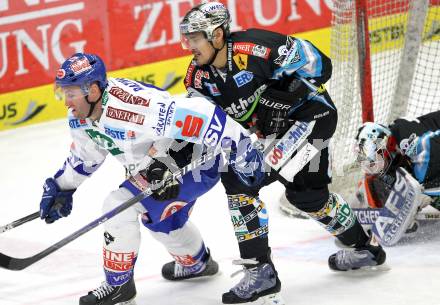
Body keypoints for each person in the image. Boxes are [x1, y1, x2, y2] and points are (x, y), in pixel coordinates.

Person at [179, 2, 386, 304]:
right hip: (278, 133)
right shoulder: (198, 78)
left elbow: (322, 65)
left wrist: (285, 91)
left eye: (195, 38)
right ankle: (366, 247)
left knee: (240, 179)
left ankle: (261, 272)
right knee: (309, 198)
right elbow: (196, 124)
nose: (190, 46)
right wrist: (175, 159)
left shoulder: (258, 48)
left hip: (310, 120)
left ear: (218, 34)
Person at [40, 52, 265, 305]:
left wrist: (242, 149)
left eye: (70, 94)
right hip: (156, 169)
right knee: (163, 223)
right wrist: (62, 186)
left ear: (92, 90)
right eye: (63, 94)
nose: (66, 102)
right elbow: (86, 157)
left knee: (116, 206)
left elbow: (204, 114)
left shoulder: (134, 107)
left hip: (195, 163)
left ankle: (119, 288)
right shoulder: (81, 117)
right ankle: (197, 264)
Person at [353, 112, 440, 236]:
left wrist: (418, 193)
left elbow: (429, 168)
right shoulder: (396, 133)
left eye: (373, 162)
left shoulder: (413, 144)